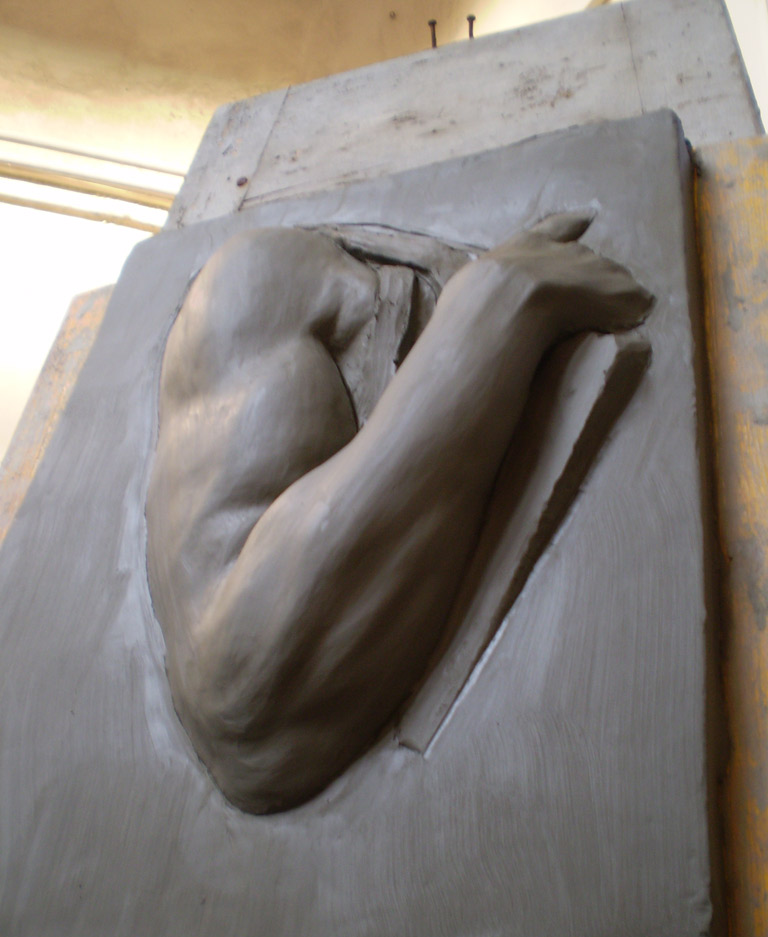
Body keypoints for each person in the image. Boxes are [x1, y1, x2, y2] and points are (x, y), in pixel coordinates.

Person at [146, 213, 652, 814]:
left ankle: (498, 303)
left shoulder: (260, 284)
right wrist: (488, 314)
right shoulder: (251, 288)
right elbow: (239, 692)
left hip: (258, 668)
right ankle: (499, 302)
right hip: (251, 668)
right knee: (240, 699)